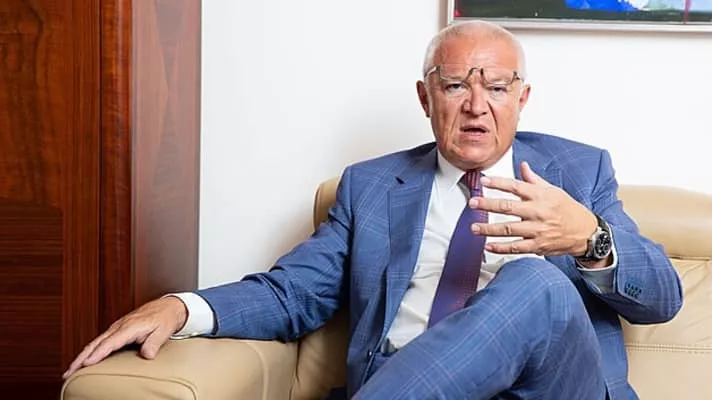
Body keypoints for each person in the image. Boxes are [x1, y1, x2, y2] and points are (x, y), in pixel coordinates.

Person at [63, 20, 682, 399]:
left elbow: (662, 298)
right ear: (425, 97)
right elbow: (291, 293)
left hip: (548, 389)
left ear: (522, 99)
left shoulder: (579, 173)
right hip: (405, 377)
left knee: (535, 283)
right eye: (454, 85)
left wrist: (589, 236)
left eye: (496, 87)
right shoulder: (372, 188)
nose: (476, 105)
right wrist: (182, 307)